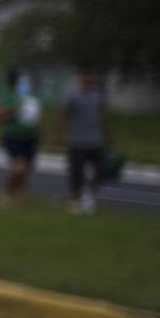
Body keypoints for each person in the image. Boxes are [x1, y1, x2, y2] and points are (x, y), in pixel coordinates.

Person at [61, 69, 108, 214]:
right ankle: (75, 201)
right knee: (76, 174)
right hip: (78, 141)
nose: (88, 78)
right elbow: (63, 115)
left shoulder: (97, 96)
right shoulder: (73, 97)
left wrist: (108, 135)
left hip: (95, 141)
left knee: (100, 171)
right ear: (80, 78)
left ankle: (88, 195)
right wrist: (57, 135)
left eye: (90, 75)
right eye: (85, 75)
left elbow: (100, 117)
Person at [0, 68, 41, 206]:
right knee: (19, 167)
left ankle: (21, 200)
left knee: (26, 170)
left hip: (29, 135)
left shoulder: (27, 95)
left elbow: (36, 114)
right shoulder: (4, 95)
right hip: (13, 136)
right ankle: (5, 191)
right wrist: (15, 107)